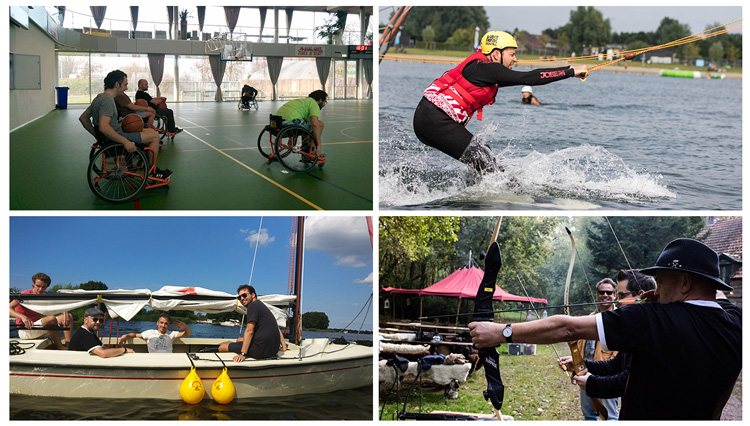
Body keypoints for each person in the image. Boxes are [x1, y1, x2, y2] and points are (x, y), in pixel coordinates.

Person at [469, 238, 741, 420]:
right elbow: (716, 300)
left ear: (684, 282)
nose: (654, 289)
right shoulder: (735, 325)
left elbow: (567, 329)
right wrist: (675, 294)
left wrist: (501, 332)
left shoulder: (651, 318)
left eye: (660, 280)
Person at [413, 31, 588, 175]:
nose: (515, 59)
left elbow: (524, 78)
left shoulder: (486, 72)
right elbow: (528, 78)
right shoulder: (484, 67)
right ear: (496, 54)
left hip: (429, 119)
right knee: (485, 162)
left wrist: (568, 71)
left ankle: (477, 192)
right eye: (512, 54)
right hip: (434, 121)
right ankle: (502, 194)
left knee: (484, 155)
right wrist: (571, 71)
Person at [559, 270, 657, 403]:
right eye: (601, 292)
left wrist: (592, 383)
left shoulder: (652, 331)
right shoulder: (635, 327)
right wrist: (581, 363)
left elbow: (628, 380)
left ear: (640, 296)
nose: (619, 301)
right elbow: (616, 364)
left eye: (621, 295)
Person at [79, 70, 172, 179]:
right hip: (117, 137)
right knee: (155, 136)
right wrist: (125, 142)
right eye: (125, 85)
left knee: (151, 131)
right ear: (117, 85)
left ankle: (147, 166)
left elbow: (83, 118)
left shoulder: (99, 97)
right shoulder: (107, 100)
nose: (126, 88)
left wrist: (98, 136)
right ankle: (152, 171)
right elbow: (104, 127)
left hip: (112, 136)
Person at [565, 278, 619, 421]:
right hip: (586, 373)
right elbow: (580, 348)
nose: (605, 295)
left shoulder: (620, 320)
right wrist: (577, 368)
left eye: (609, 292)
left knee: (610, 417)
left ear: (615, 295)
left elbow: (619, 354)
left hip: (607, 376)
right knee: (589, 416)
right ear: (597, 294)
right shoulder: (588, 319)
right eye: (602, 292)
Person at [218, 285, 287, 362]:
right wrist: (284, 347)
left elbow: (249, 331)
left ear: (253, 295)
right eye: (239, 297)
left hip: (260, 350)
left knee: (222, 347)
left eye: (244, 295)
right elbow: (277, 328)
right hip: (272, 350)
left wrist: (242, 354)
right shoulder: (261, 306)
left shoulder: (252, 306)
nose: (241, 299)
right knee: (239, 340)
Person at [9, 272, 73, 350]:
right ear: (33, 284)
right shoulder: (25, 294)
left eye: (43, 287)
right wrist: (23, 317)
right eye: (38, 286)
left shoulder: (44, 296)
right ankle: (60, 347)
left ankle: (68, 346)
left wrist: (64, 312)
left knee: (68, 316)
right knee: (51, 319)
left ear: (46, 287)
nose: (40, 289)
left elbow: (57, 305)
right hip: (25, 331)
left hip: (38, 327)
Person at [274, 90, 328, 160]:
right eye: (325, 102)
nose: (324, 104)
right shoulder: (314, 104)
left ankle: (298, 144)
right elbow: (315, 124)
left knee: (306, 123)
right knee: (320, 124)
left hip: (277, 121)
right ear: (320, 100)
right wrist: (319, 145)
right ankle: (308, 149)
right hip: (289, 123)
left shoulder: (303, 101)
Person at [69, 307, 134, 357]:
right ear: (85, 320)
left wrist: (116, 352)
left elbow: (104, 348)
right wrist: (124, 350)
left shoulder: (90, 333)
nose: (98, 322)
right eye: (95, 319)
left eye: (101, 320)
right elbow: (103, 353)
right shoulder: (83, 334)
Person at [117, 312, 191, 353]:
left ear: (168, 325)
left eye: (166, 323)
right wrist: (125, 336)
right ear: (157, 323)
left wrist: (185, 327)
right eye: (161, 322)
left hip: (169, 360)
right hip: (154, 360)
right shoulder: (149, 332)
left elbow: (188, 334)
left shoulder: (172, 333)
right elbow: (135, 335)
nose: (163, 325)